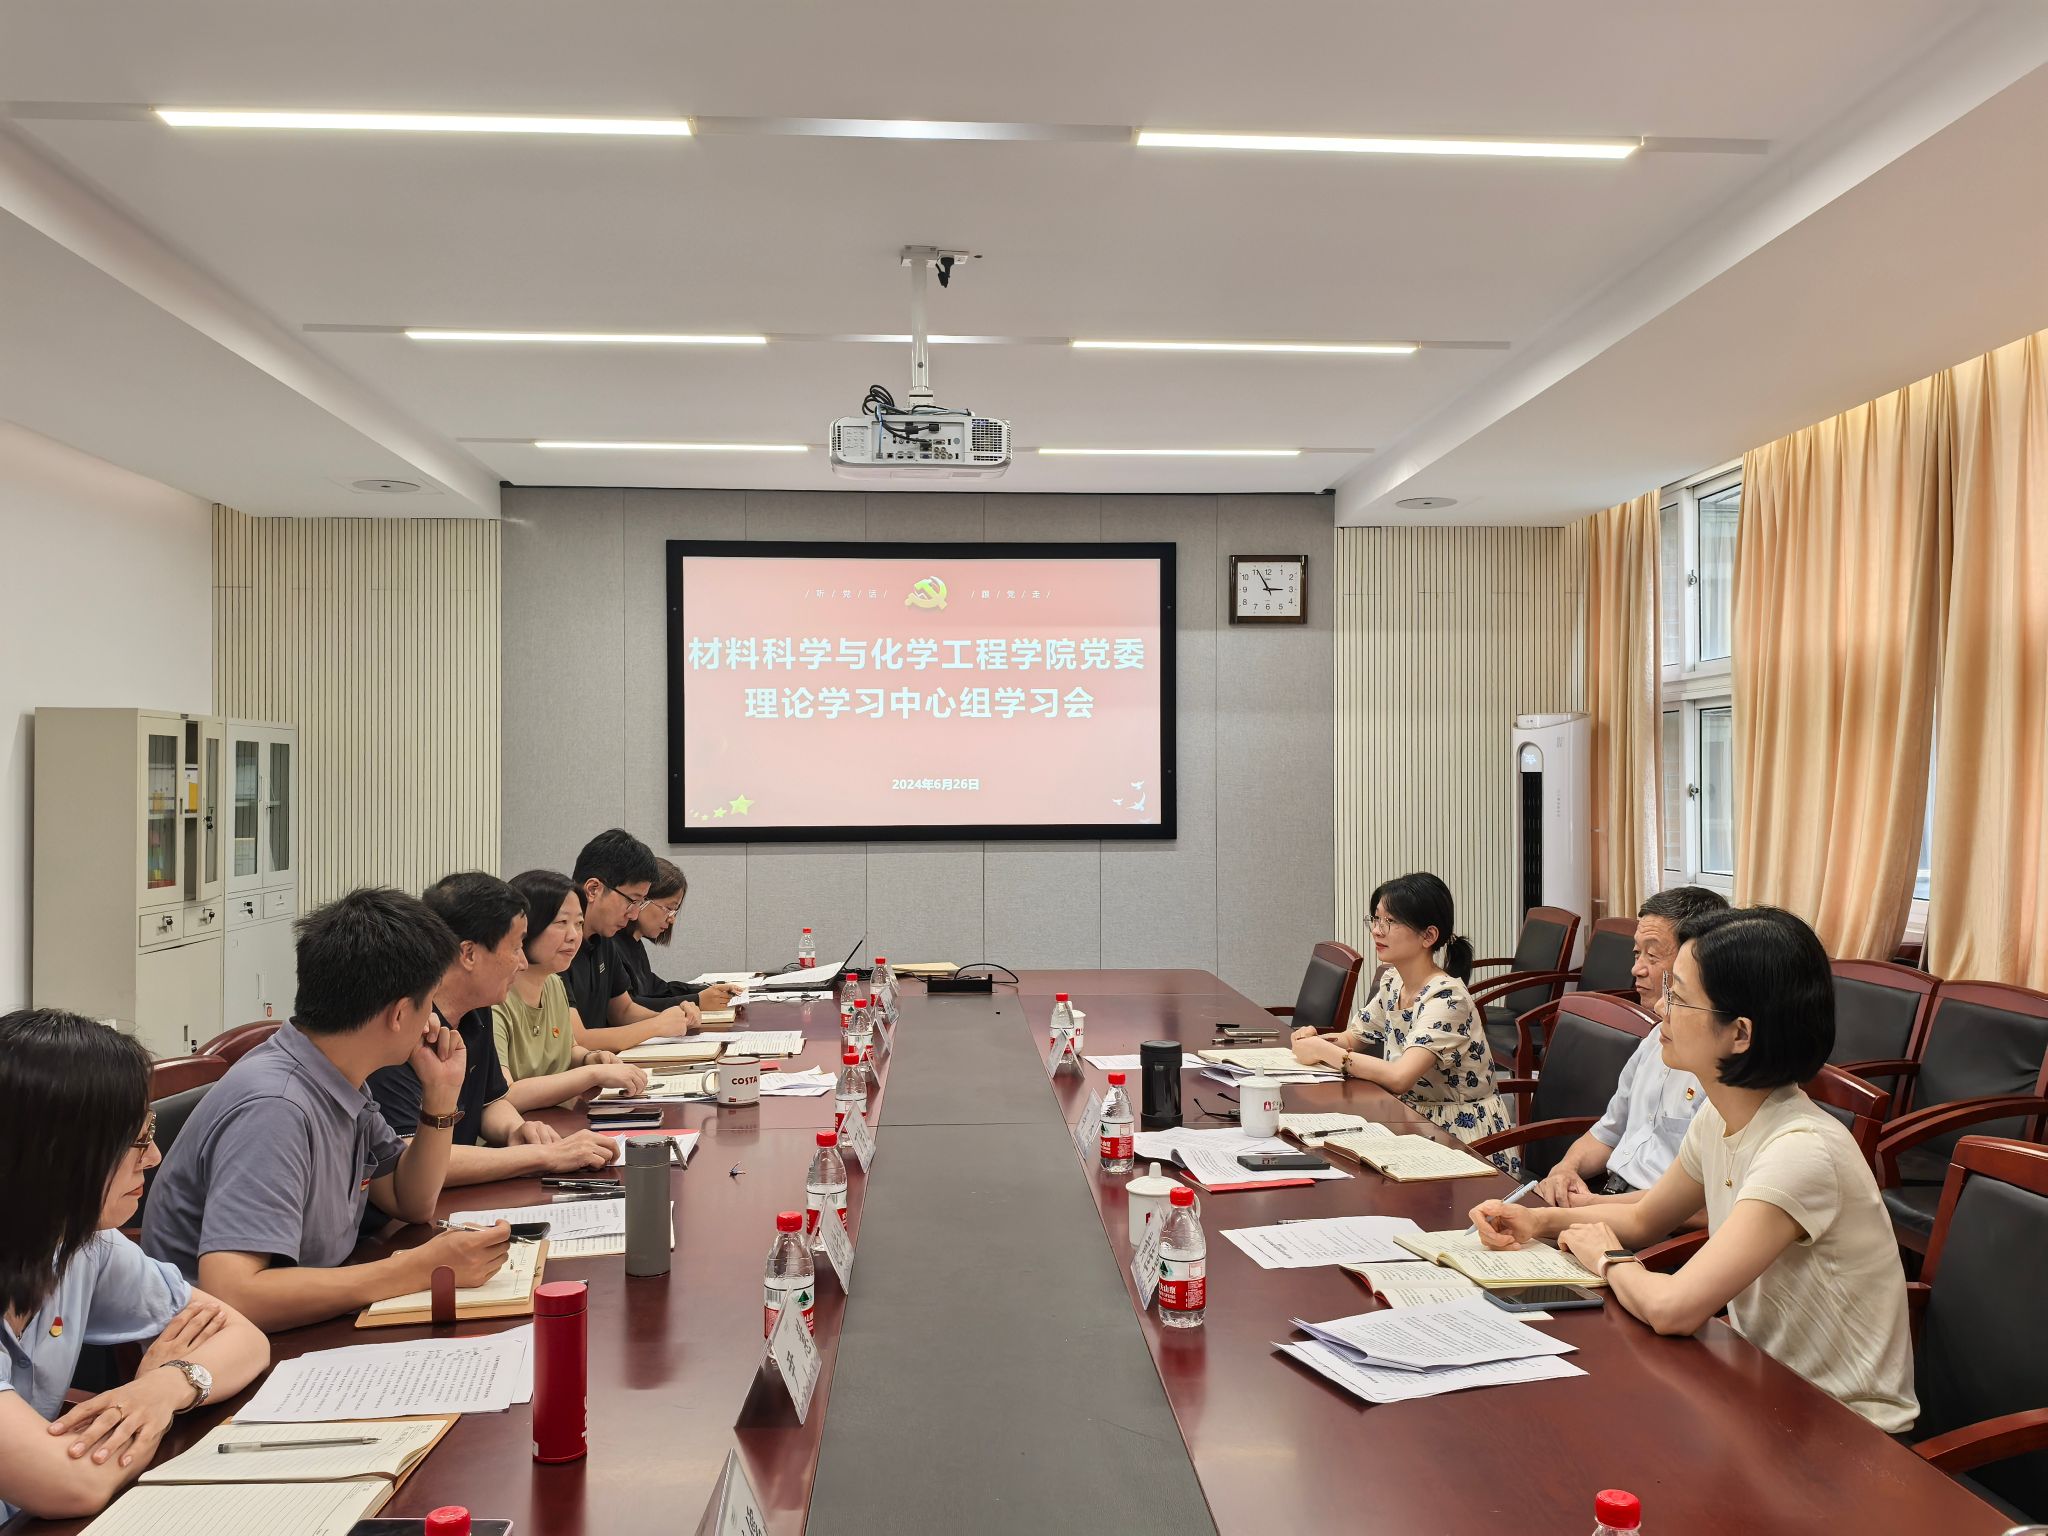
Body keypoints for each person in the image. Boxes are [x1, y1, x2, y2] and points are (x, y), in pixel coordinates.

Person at [1470, 905, 1918, 1432]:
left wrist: (1607, 1258)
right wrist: (1536, 1221)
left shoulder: (1801, 1151)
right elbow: (1644, 1219)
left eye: (1679, 996)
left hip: (1847, 1429)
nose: (1661, 1007)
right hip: (1762, 1390)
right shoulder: (1721, 1114)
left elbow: (1674, 1309)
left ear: (1740, 1034)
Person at [141, 888, 514, 1331]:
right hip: (220, 1351)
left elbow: (409, 1200)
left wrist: (440, 1096)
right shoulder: (276, 1107)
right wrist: (413, 1270)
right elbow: (235, 1293)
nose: (434, 1020)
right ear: (399, 1014)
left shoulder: (335, 1074)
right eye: (429, 1002)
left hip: (302, 1326)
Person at [0, 1009, 268, 1522]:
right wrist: (148, 1416)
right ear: (56, 1153)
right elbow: (74, 1486)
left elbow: (244, 1338)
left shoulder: (80, 1243)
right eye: (140, 1139)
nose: (155, 1157)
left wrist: (162, 1387)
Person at [366, 872, 620, 1191]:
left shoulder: (477, 1008)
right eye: (515, 947)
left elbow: (490, 1101)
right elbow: (410, 1162)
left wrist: (516, 1130)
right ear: (469, 954)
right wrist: (543, 1156)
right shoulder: (403, 1027)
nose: (522, 963)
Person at [1291, 872, 1516, 1167]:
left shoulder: (1447, 998)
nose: (1377, 931)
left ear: (1428, 936)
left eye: (1390, 921)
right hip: (1409, 1120)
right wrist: (1314, 1041)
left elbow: (1400, 1077)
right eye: (1375, 919)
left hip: (1460, 1138)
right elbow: (1353, 1037)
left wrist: (1327, 1053)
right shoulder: (1394, 981)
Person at [1535, 886, 1729, 1208]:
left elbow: (1709, 1205)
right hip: (1610, 1198)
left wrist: (1587, 1210)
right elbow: (1608, 1132)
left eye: (1652, 956)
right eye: (1637, 954)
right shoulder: (1655, 1039)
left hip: (1661, 1224)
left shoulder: (1723, 1070)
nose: (1636, 969)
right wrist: (1565, 1170)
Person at [494, 869, 652, 1109]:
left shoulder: (554, 984)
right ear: (525, 927)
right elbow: (504, 1095)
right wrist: (591, 1074)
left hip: (559, 1119)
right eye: (561, 923)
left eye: (579, 923)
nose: (574, 936)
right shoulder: (494, 998)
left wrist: (590, 1059)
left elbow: (568, 1049)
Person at [566, 829, 702, 1052]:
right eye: (632, 901)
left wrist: (674, 1018)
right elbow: (576, 1040)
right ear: (593, 889)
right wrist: (657, 1025)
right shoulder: (558, 945)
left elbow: (623, 1011)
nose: (634, 914)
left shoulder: (604, 939)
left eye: (640, 904)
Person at [615, 858, 739, 1014]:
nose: (672, 919)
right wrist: (697, 1000)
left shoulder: (634, 944)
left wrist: (708, 991)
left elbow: (659, 990)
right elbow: (629, 1006)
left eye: (674, 911)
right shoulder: (612, 946)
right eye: (668, 908)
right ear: (642, 899)